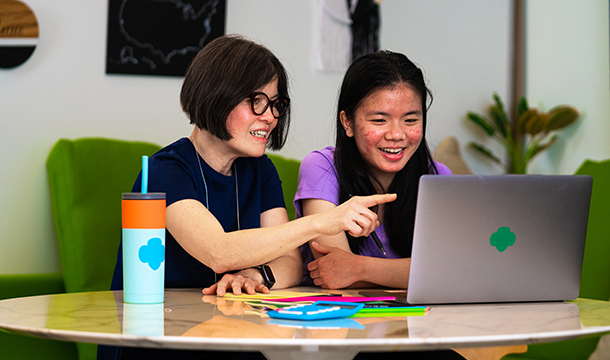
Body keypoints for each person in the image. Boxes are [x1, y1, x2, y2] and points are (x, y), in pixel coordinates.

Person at [98, 35, 394, 360]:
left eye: (276, 104)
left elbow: (291, 263)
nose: (269, 117)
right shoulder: (165, 170)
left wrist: (256, 275)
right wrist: (321, 222)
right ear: (216, 95)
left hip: (232, 334)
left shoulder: (260, 169)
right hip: (159, 339)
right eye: (256, 101)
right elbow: (217, 251)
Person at [296, 50, 452, 289]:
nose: (396, 135)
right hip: (335, 320)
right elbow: (334, 274)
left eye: (410, 120)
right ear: (347, 122)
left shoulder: (438, 177)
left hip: (413, 321)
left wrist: (359, 267)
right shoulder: (321, 167)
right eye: (379, 120)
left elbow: (448, 273)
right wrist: (415, 273)